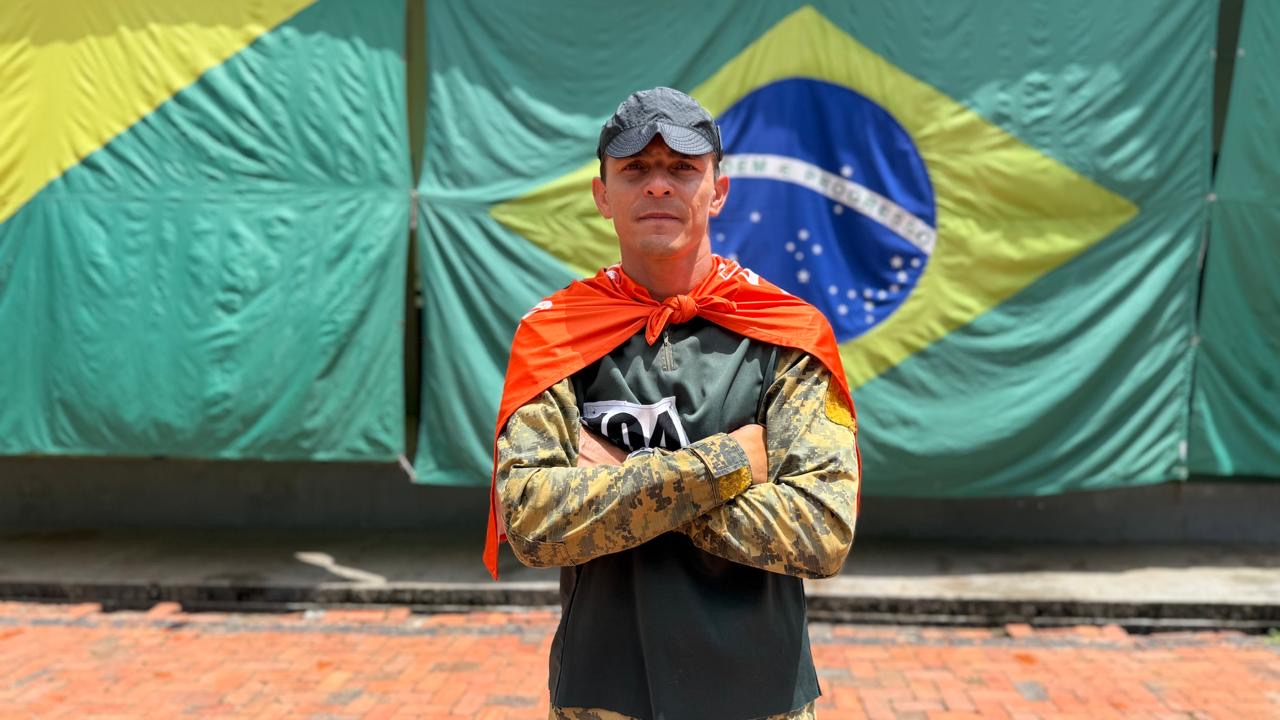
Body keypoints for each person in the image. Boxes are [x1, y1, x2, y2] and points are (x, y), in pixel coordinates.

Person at [483, 87, 861, 720]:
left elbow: (821, 531)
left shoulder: (785, 334)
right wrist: (727, 465)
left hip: (761, 695)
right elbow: (530, 523)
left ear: (718, 191)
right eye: (635, 168)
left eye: (682, 168)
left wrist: (620, 478)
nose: (658, 184)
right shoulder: (557, 335)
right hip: (601, 695)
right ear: (603, 195)